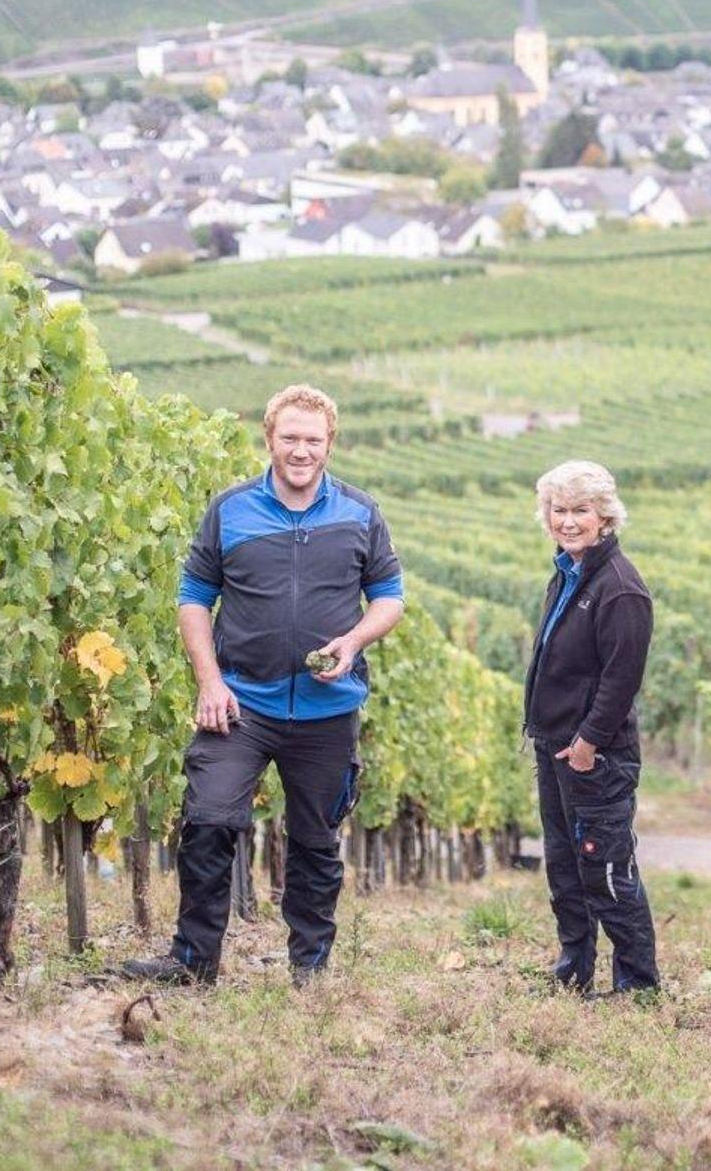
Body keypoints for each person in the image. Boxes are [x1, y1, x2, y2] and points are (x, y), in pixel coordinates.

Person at [122, 384, 402, 987]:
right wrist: (209, 682)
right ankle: (193, 961)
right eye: (290, 438)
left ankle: (310, 968)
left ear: (330, 444)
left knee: (315, 841)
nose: (301, 451)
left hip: (327, 709)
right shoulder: (231, 510)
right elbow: (194, 598)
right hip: (240, 703)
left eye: (313, 440)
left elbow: (389, 597)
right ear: (270, 439)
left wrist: (354, 641)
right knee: (208, 821)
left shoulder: (361, 513)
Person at [524, 459, 660, 995]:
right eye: (558, 510)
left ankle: (638, 987)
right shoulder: (568, 573)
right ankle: (573, 973)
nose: (567, 521)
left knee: (605, 871)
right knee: (565, 868)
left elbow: (621, 680)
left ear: (604, 516)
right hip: (555, 745)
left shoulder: (620, 588)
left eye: (580, 510)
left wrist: (587, 743)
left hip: (594, 756)